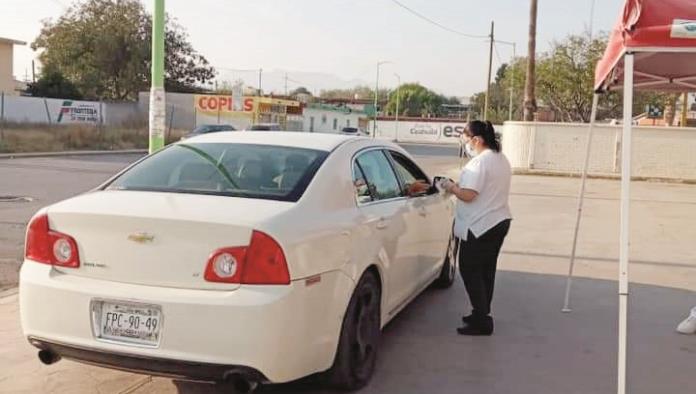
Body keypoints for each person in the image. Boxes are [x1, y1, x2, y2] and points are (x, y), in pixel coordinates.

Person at [442, 120, 512, 336]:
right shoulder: (500, 158)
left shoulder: (479, 163)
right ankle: (481, 313)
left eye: (465, 139)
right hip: (498, 221)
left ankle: (481, 320)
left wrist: (450, 186)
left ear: (477, 140)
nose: (465, 144)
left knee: (470, 270)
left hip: (480, 225)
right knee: (486, 271)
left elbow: (469, 195)